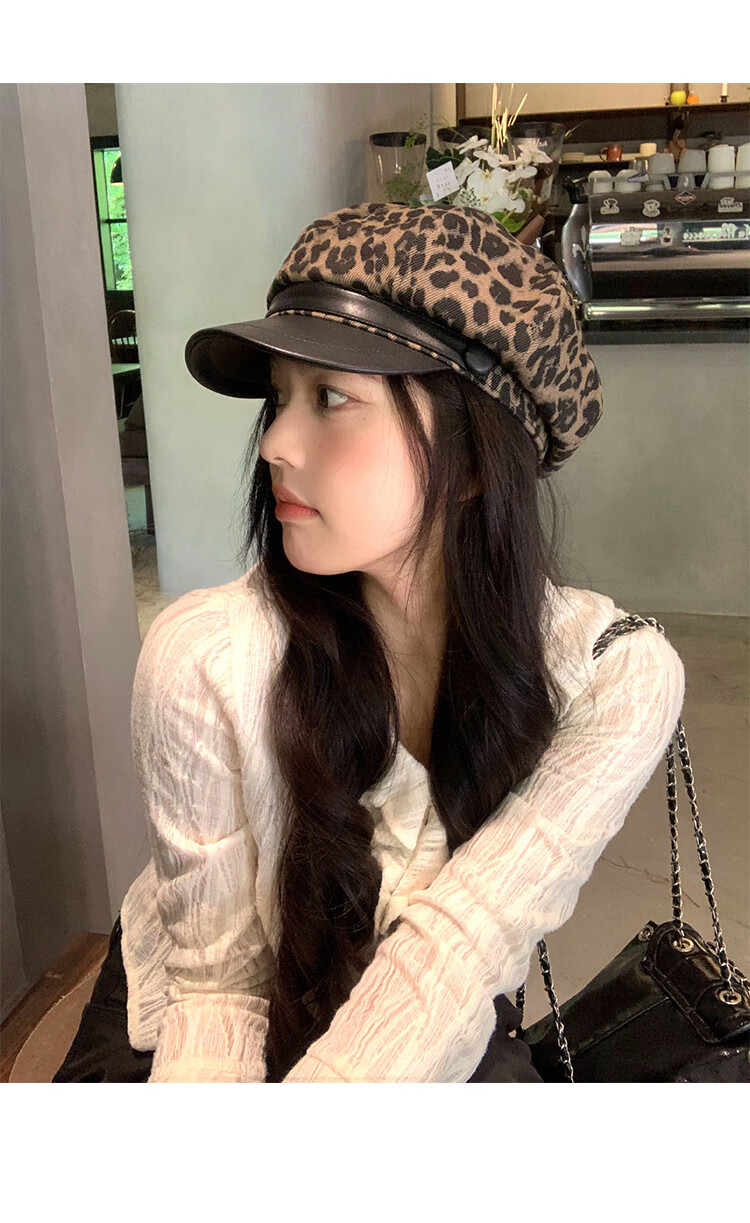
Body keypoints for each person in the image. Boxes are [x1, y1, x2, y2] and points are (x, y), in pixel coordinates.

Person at [52, 200, 685, 1083]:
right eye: (280, 397)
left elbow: (460, 949)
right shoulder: (207, 656)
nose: (275, 443)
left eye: (332, 397)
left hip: (420, 997)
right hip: (206, 1006)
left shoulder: (611, 675)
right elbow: (218, 989)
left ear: (471, 462)